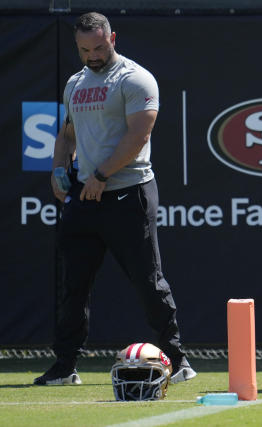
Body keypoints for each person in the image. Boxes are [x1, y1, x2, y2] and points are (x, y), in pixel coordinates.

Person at [34, 12, 196, 386]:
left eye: (98, 47)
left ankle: (177, 359)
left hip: (129, 192)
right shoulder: (75, 83)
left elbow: (139, 134)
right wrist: (59, 171)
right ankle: (64, 366)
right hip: (83, 196)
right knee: (73, 284)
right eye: (83, 49)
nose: (91, 55)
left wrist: (102, 176)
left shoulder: (135, 79)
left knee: (147, 280)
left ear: (113, 38)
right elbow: (68, 134)